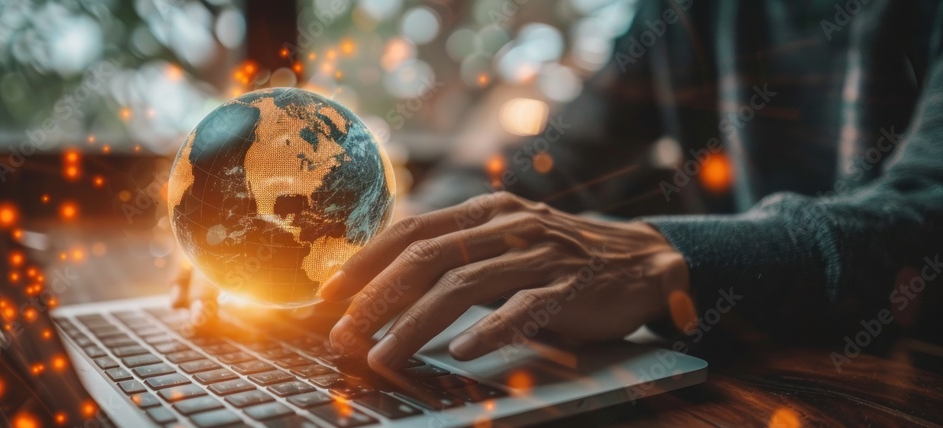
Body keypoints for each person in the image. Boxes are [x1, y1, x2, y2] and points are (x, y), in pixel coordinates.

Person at [176, 0, 943, 374]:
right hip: (760, 366)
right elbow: (551, 157)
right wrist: (366, 243)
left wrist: (669, 255)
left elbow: (924, 215)